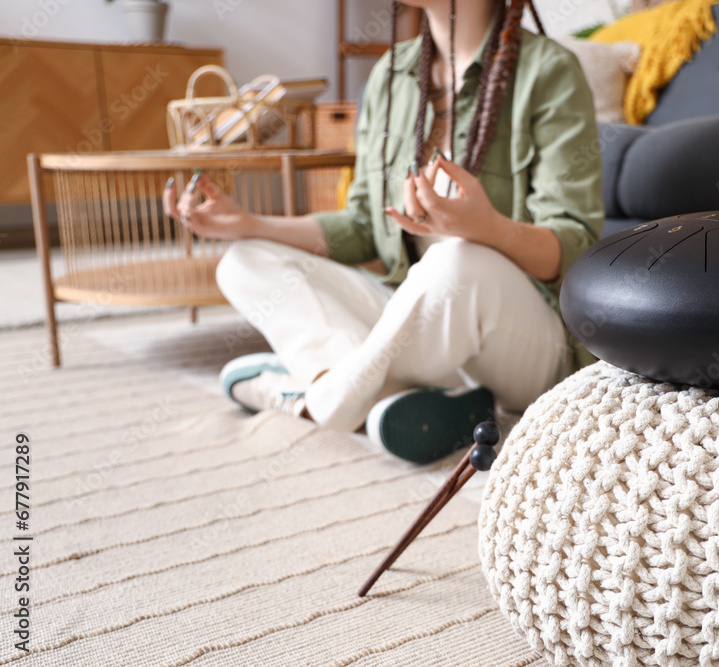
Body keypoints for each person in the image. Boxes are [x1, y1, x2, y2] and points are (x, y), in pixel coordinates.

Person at [162, 0, 603, 463]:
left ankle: (321, 397)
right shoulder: (390, 76)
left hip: (520, 336)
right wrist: (249, 224)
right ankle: (406, 399)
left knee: (457, 261)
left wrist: (488, 228)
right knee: (245, 260)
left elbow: (573, 247)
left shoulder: (550, 69)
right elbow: (361, 228)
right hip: (414, 320)